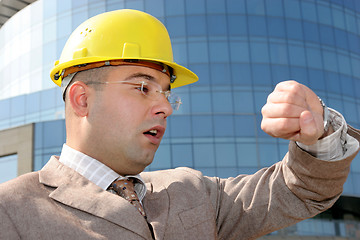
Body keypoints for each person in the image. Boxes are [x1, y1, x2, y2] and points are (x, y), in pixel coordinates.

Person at [0, 9, 359, 240]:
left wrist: (318, 130)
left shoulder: (194, 192)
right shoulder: (12, 210)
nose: (164, 107)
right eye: (142, 87)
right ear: (82, 99)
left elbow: (299, 191)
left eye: (166, 94)